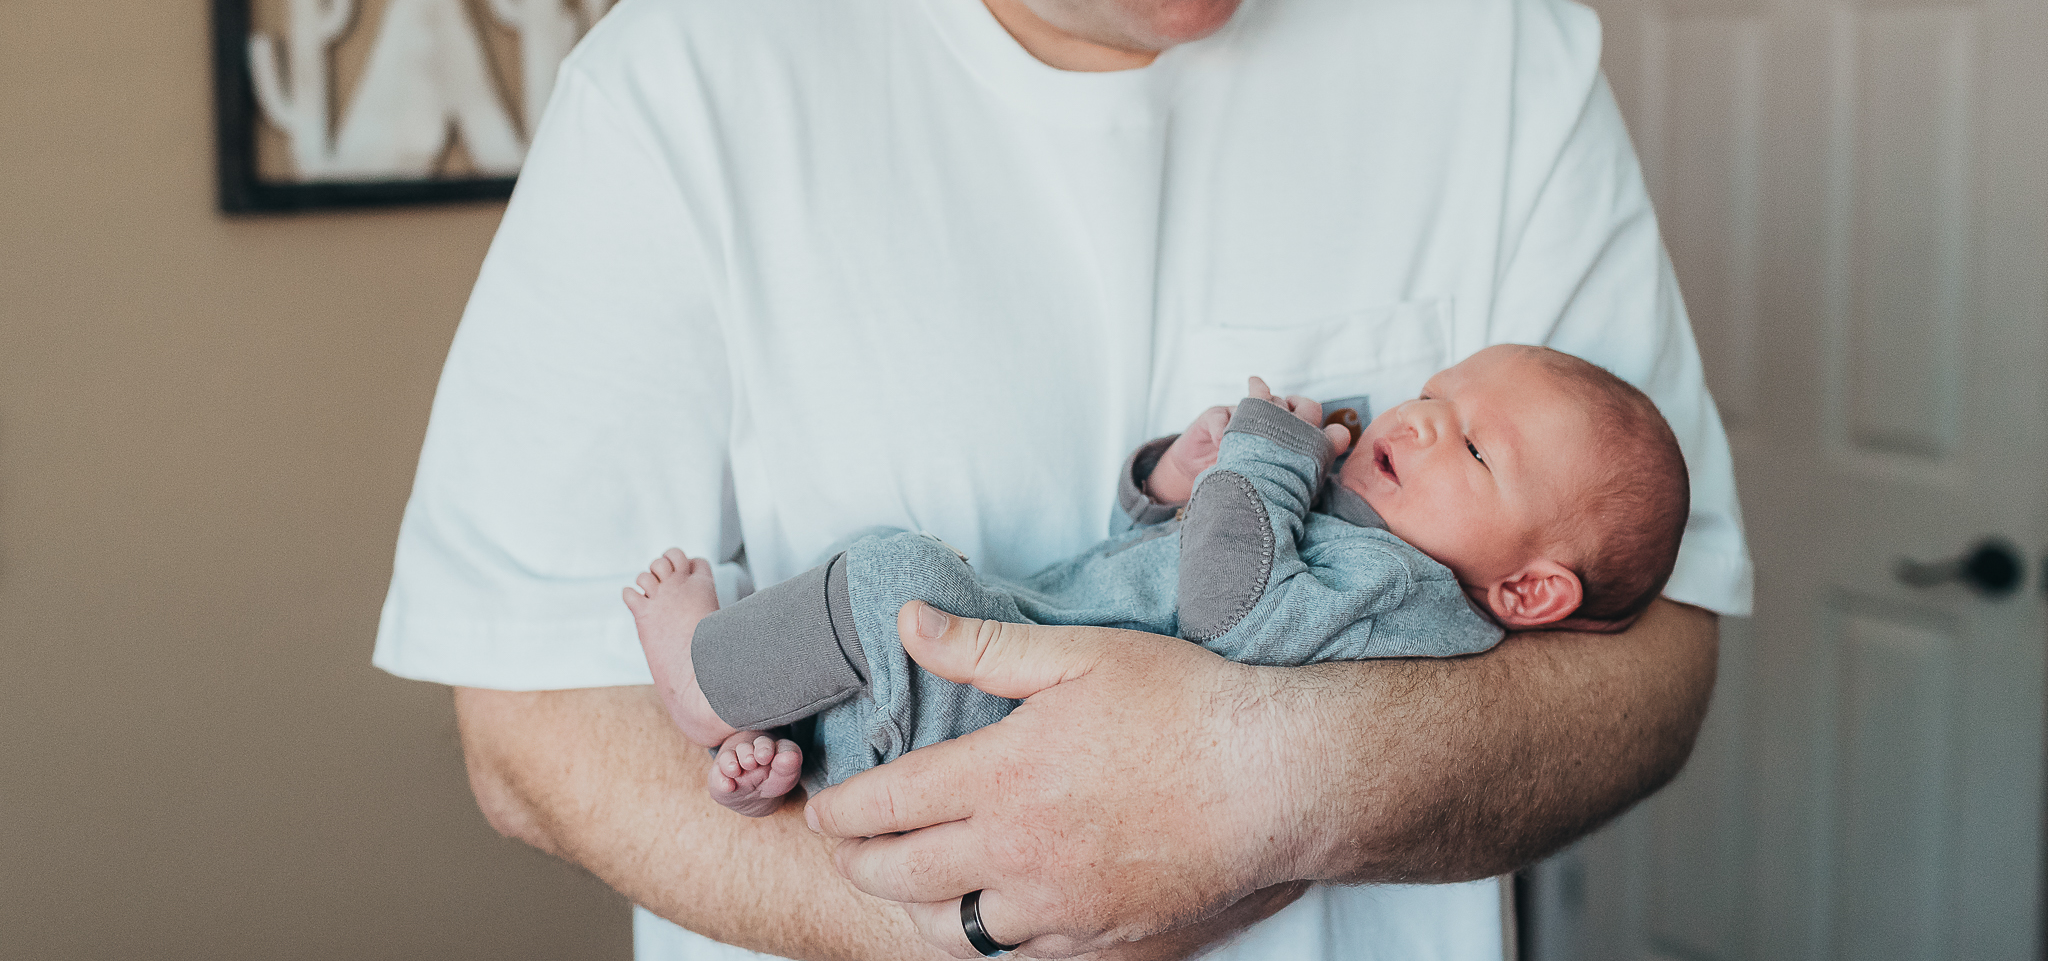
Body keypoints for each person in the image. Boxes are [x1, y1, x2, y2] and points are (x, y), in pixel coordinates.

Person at [372, 0, 1753, 956]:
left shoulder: (1497, 53)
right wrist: (1006, 929)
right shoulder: (679, 86)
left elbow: (1657, 660)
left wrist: (1269, 783)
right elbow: (531, 724)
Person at [624, 347, 1691, 819]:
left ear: (1528, 595)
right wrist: (1175, 483)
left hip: (1001, 722)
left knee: (894, 574)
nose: (1418, 422)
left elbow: (1226, 609)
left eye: (1471, 452)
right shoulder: (1357, 530)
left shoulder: (1404, 595)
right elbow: (1143, 573)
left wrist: (1264, 462)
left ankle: (701, 677)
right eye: (1432, 396)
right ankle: (778, 757)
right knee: (893, 575)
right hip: (987, 689)